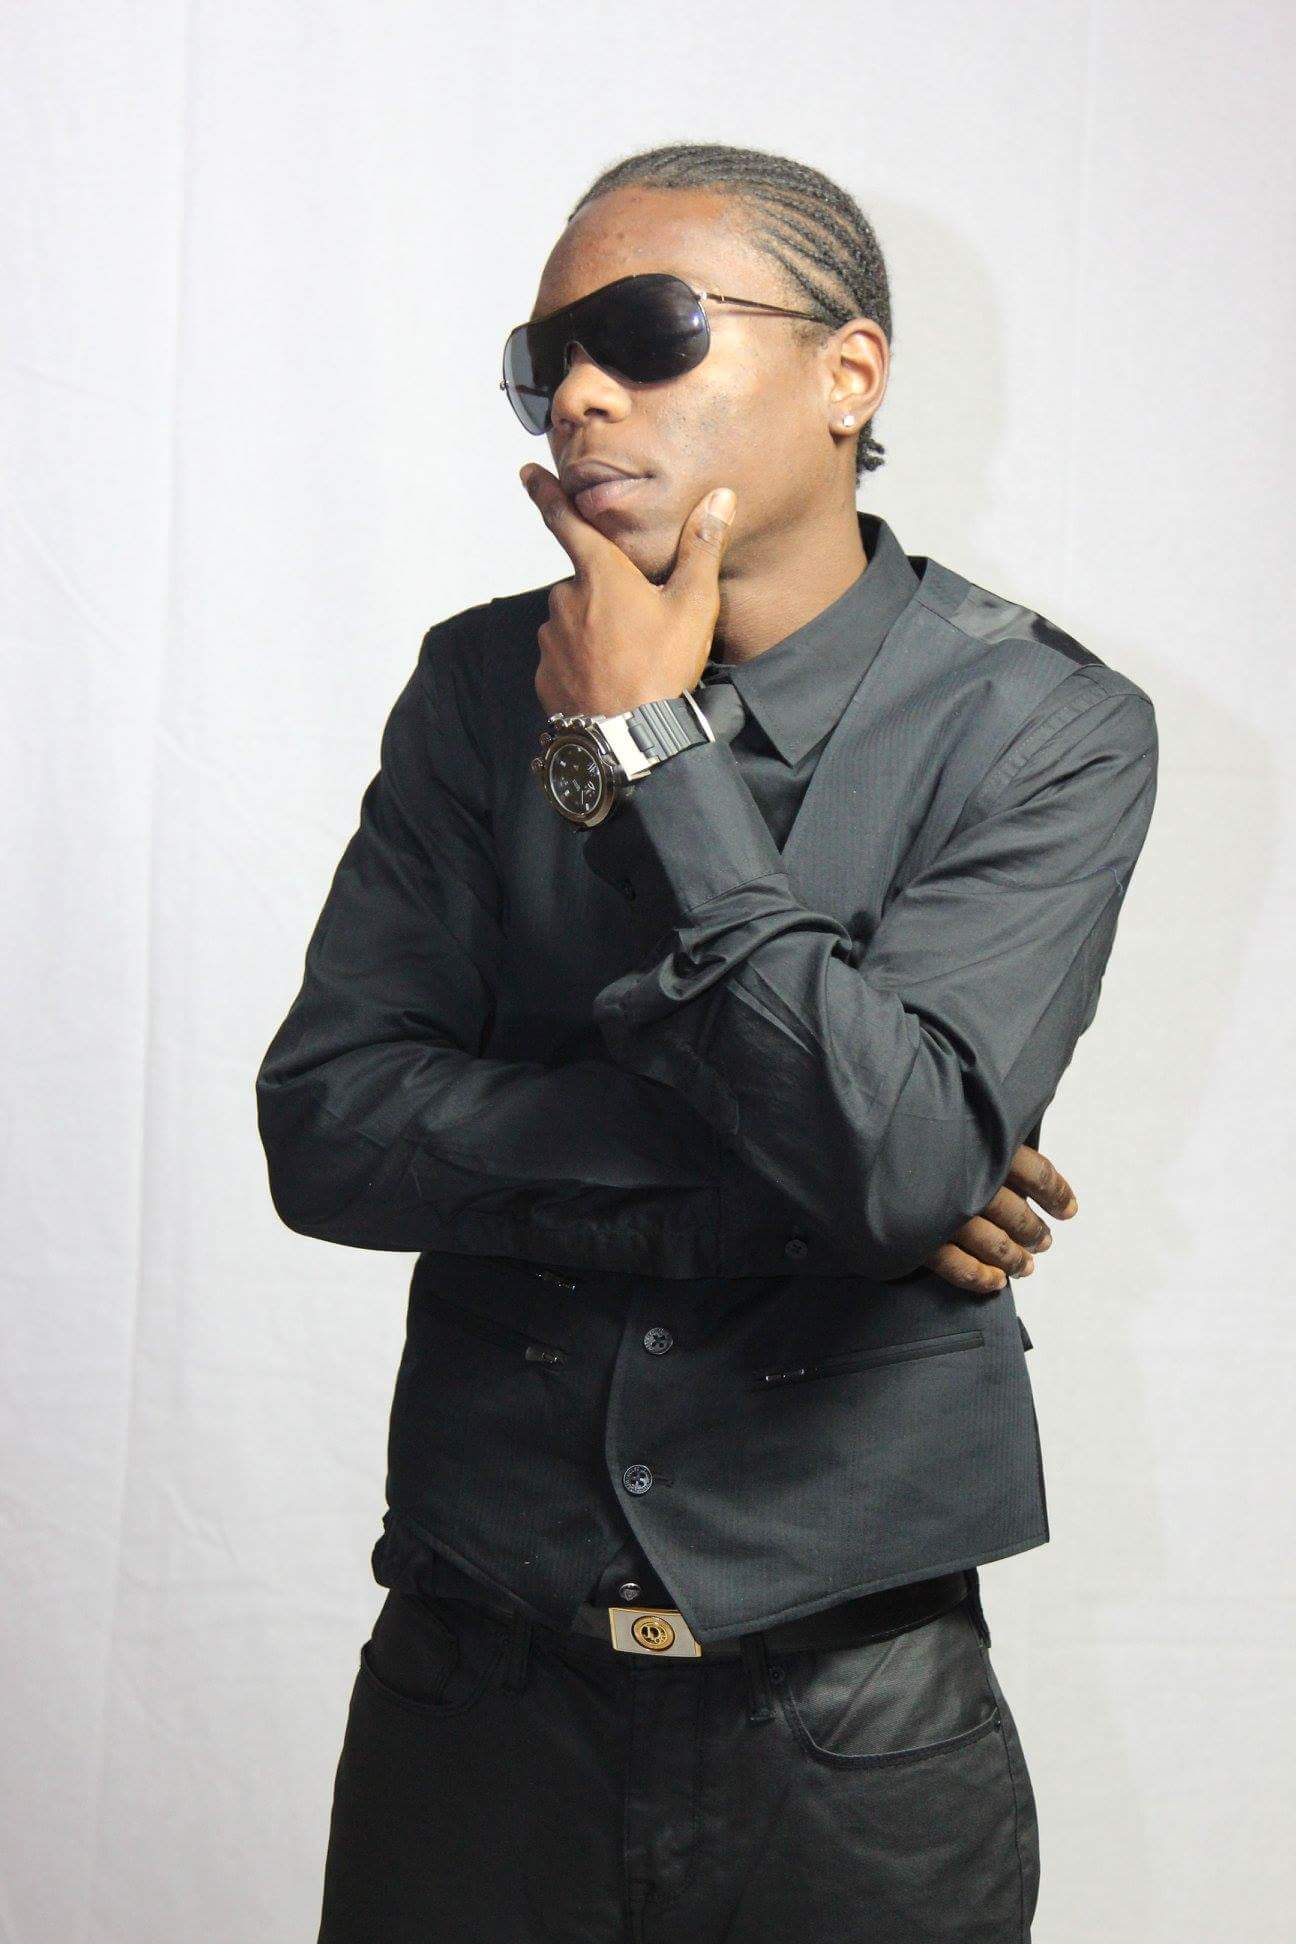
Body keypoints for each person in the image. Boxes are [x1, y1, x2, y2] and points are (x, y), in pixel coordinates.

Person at [256, 141, 1158, 1943]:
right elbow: (332, 1129)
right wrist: (840, 1177)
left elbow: (897, 1162)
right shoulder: (475, 692)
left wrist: (649, 748)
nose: (583, 394)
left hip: (850, 1739)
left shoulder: (1042, 726)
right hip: (473, 1703)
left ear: (850, 372)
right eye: (546, 362)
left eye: (649, 333)